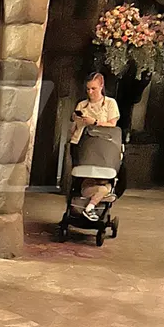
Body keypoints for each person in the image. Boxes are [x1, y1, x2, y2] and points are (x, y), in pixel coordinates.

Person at [70, 72, 119, 220]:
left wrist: (95, 122)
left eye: (93, 88)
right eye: (88, 89)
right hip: (81, 145)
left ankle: (93, 204)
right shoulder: (82, 105)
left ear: (101, 86)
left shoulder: (110, 103)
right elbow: (73, 129)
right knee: (83, 177)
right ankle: (86, 206)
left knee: (104, 179)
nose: (90, 92)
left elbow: (112, 125)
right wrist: (76, 120)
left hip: (102, 146)